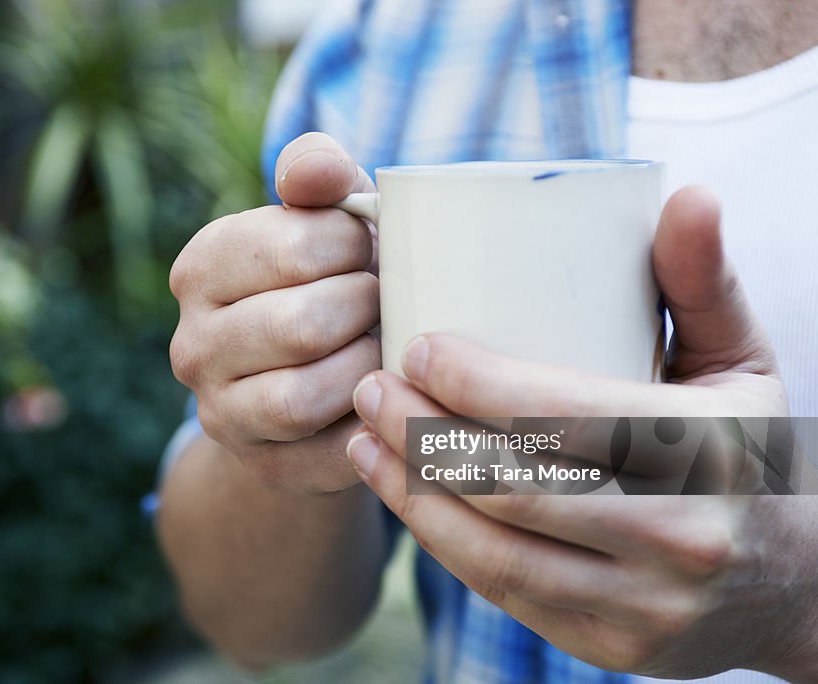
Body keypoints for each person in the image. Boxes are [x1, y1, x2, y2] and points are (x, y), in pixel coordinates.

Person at [157, 1, 818, 682]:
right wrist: (288, 408)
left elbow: (757, 484)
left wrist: (804, 601)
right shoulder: (383, 31)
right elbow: (250, 626)